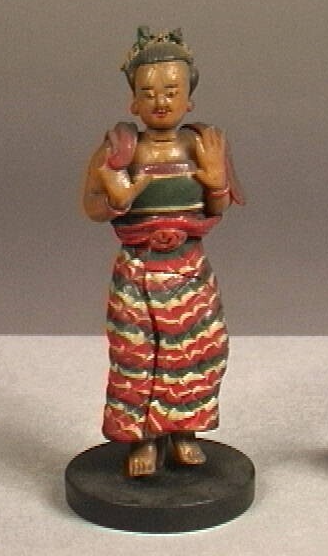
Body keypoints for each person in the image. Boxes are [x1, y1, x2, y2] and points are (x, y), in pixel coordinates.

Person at [81, 27, 243, 477]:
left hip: (188, 268)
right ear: (133, 102)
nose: (160, 102)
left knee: (195, 350)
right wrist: (117, 200)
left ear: (189, 99)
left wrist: (217, 182)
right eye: (148, 93)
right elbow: (91, 206)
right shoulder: (121, 148)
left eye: (172, 91)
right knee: (137, 357)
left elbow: (218, 207)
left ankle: (184, 433)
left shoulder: (202, 144)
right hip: (138, 269)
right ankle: (143, 441)